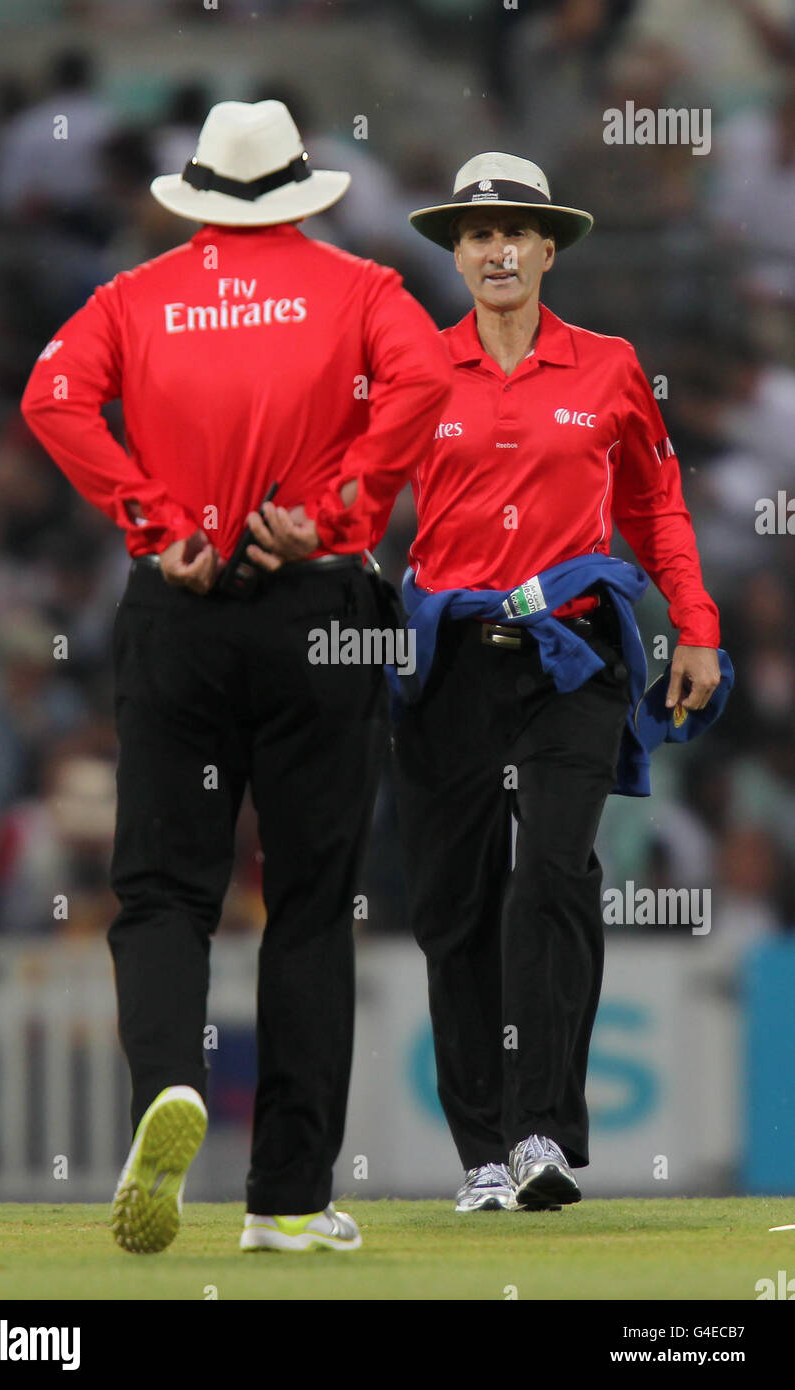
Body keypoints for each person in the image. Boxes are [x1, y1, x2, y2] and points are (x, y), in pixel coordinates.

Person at [20, 99, 452, 1253]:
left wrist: (150, 518)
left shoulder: (135, 296)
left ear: (197, 192)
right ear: (304, 190)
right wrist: (336, 510)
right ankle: (289, 1198)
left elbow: (49, 396)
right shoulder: (361, 289)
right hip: (315, 603)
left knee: (163, 890)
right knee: (310, 906)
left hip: (180, 599)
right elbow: (424, 389)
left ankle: (166, 1080)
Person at [393, 152, 722, 1214]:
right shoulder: (409, 372)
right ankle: (480, 1153)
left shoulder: (610, 367)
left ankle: (538, 1132)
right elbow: (349, 506)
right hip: (448, 660)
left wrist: (696, 629)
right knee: (451, 907)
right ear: (455, 252)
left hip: (569, 655)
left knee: (551, 875)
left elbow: (657, 508)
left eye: (513, 231)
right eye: (475, 232)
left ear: (546, 249)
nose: (493, 248)